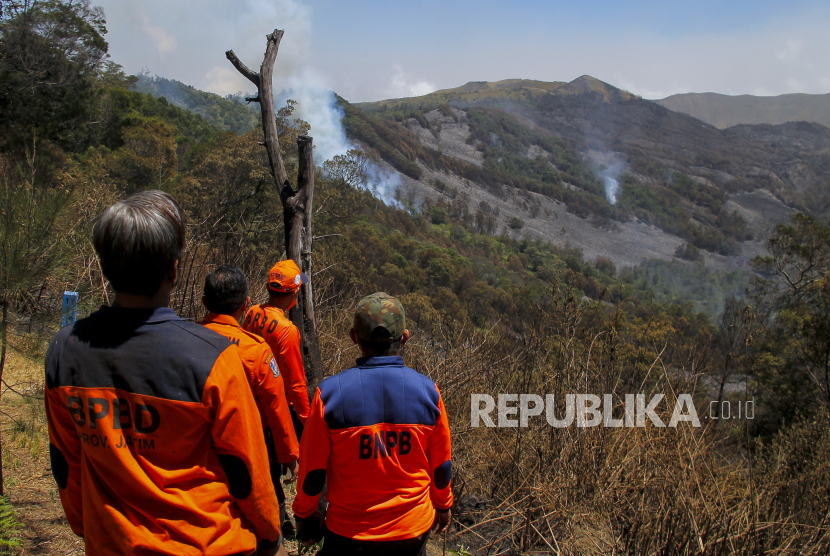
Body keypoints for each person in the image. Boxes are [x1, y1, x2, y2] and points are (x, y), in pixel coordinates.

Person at [44, 191, 285, 556]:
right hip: (205, 543)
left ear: (106, 266)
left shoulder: (66, 352)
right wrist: (268, 531)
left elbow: (66, 462)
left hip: (112, 542)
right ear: (173, 270)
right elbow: (245, 466)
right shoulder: (212, 357)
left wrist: (86, 525)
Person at [292, 292, 453, 556]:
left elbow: (312, 471)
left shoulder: (330, 395)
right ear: (405, 337)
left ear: (354, 337)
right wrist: (443, 504)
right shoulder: (428, 393)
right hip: (411, 531)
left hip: (349, 534)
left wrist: (304, 513)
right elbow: (441, 465)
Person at [201, 265, 300, 536]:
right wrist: (290, 454)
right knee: (267, 487)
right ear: (245, 303)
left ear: (204, 302)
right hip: (251, 431)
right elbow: (278, 406)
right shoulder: (258, 351)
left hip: (198, 439)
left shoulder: (187, 338)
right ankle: (274, 534)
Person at [242, 260, 311, 434]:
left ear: (267, 286)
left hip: (251, 397)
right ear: (295, 293)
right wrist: (308, 421)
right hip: (276, 406)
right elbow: (295, 382)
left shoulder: (252, 312)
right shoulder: (287, 330)